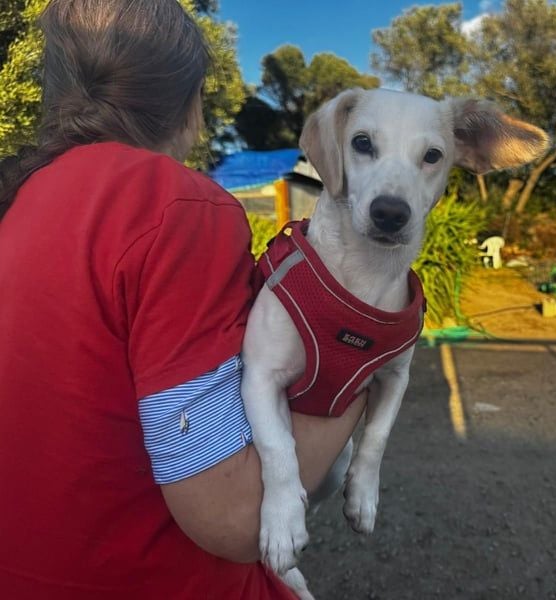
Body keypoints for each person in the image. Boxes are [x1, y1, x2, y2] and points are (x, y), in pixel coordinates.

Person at [0, 1, 365, 598]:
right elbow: (236, 518)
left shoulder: (22, 200)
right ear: (193, 106)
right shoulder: (174, 207)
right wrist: (362, 351)